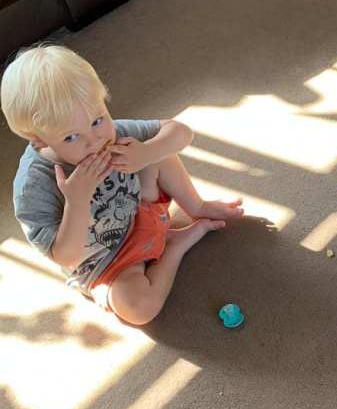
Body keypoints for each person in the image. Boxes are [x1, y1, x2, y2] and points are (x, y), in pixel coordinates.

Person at [1, 45, 244, 324]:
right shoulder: (33, 186)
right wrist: (76, 202)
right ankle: (174, 245)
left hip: (139, 211)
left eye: (97, 120)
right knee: (139, 308)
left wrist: (146, 152)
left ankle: (196, 208)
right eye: (71, 137)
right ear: (39, 140)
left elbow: (181, 132)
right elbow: (66, 257)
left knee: (156, 147)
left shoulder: (112, 132)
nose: (95, 140)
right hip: (107, 261)